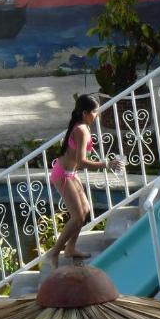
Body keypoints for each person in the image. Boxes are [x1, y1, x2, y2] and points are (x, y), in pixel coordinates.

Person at [46, 94, 123, 267]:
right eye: (95, 112)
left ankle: (70, 248)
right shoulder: (80, 129)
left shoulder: (84, 126)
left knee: (85, 210)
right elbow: (81, 161)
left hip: (70, 173)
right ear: (85, 113)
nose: (97, 115)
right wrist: (106, 164)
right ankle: (55, 252)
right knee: (77, 216)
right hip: (63, 174)